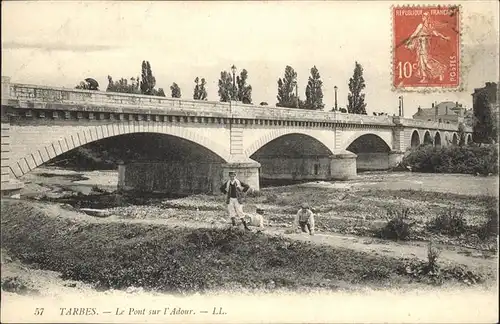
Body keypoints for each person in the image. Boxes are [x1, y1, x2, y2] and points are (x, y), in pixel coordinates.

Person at [404, 11, 450, 83]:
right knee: (421, 61)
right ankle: (424, 77)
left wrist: (444, 37)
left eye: (424, 16)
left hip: (425, 45)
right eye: (423, 16)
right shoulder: (420, 25)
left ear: (427, 17)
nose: (423, 17)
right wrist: (408, 41)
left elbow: (436, 33)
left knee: (426, 61)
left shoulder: (429, 26)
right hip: (419, 45)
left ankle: (440, 71)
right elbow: (415, 34)